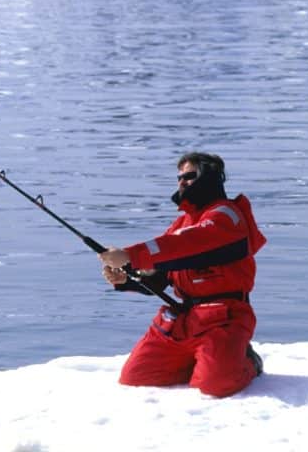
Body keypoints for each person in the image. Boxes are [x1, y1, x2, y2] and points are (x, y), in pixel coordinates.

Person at [99, 152, 266, 398]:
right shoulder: (181, 223)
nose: (182, 182)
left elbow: (188, 245)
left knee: (215, 385)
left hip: (224, 320)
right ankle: (205, 362)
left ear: (210, 177)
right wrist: (127, 279)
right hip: (183, 319)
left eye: (190, 176)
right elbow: (162, 273)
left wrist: (131, 255)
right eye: (179, 177)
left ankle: (248, 362)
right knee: (136, 377)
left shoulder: (227, 216)